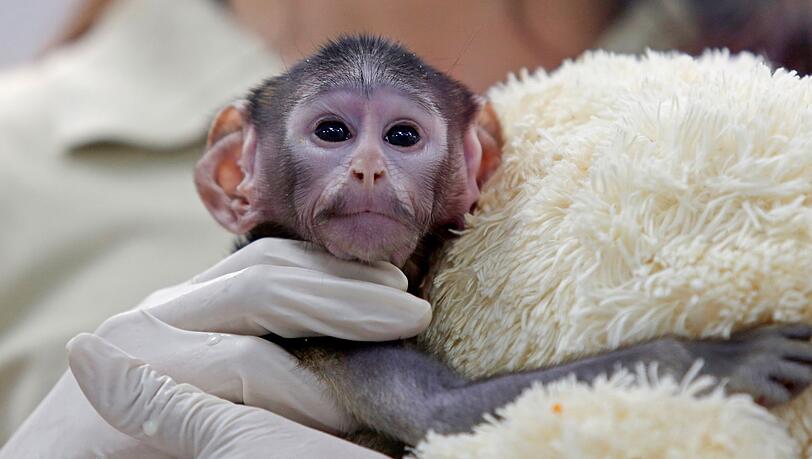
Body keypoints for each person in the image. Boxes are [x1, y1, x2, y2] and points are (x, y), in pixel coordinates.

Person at [2, 0, 811, 457]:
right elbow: (435, 409)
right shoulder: (21, 155)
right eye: (328, 135)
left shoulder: (765, 90)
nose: (364, 169)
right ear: (233, 177)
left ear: (476, 165)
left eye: (402, 138)